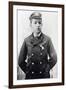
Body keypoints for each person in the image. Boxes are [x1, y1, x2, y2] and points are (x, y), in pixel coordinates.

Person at [18, 12, 57, 79]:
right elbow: (20, 61)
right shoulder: (26, 40)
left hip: (44, 76)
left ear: (42, 24)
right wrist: (28, 71)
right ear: (31, 25)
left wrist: (47, 69)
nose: (38, 25)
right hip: (31, 76)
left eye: (39, 23)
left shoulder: (47, 39)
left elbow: (54, 58)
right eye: (35, 23)